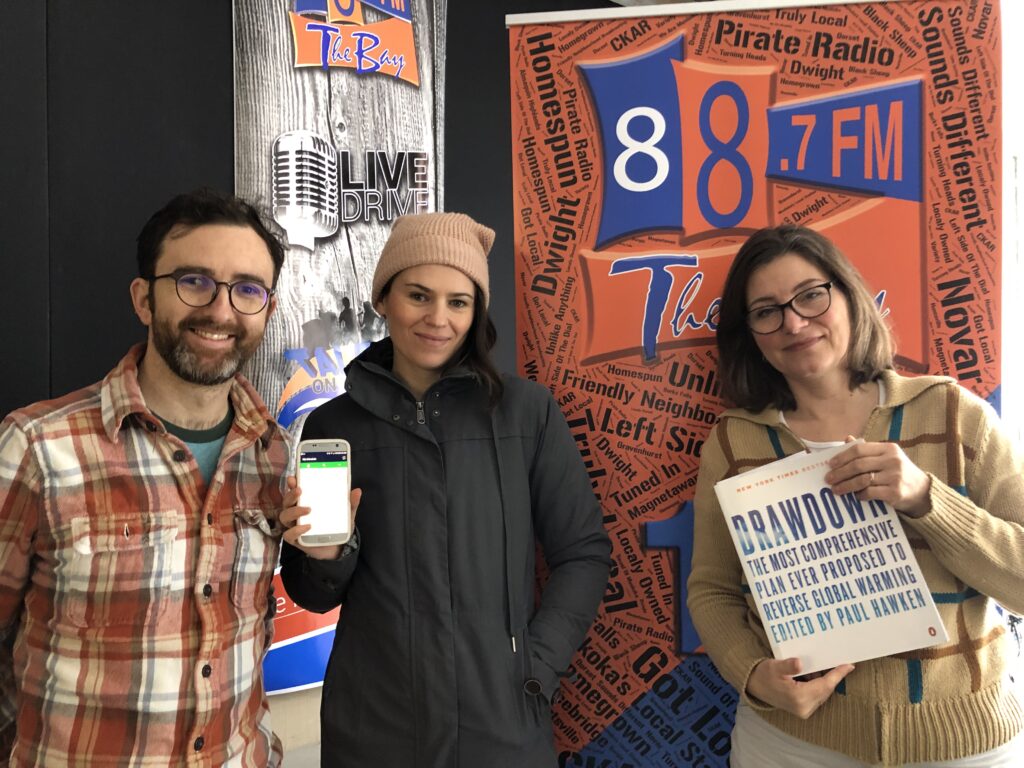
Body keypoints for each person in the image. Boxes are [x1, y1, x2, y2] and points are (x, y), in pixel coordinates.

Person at [279, 212, 612, 767]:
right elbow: (316, 594)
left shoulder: (526, 413)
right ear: (384, 298)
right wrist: (323, 556)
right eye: (418, 295)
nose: (439, 319)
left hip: (502, 727)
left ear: (476, 312)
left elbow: (583, 554)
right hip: (374, 729)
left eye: (459, 302)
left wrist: (535, 665)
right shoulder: (335, 426)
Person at [687, 225, 1024, 766]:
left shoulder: (954, 413)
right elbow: (712, 590)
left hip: (962, 741)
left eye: (810, 295)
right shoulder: (735, 440)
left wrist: (926, 499)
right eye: (767, 311)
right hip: (793, 744)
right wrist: (753, 675)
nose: (794, 322)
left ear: (847, 294)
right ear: (749, 333)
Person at [0, 188, 290, 766]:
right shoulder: (36, 447)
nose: (221, 310)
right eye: (194, 281)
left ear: (267, 310)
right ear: (143, 298)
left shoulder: (274, 455)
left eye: (247, 290)